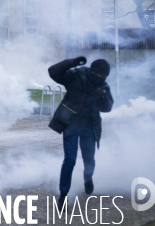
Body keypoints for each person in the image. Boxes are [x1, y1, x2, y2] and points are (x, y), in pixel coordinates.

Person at [48, 57, 114, 207]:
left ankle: (87, 178)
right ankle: (63, 195)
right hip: (71, 123)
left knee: (89, 161)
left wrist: (102, 97)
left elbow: (108, 107)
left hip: (90, 127)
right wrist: (71, 62)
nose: (101, 79)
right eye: (99, 75)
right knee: (70, 160)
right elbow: (53, 72)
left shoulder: (103, 86)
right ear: (92, 72)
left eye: (104, 77)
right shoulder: (76, 76)